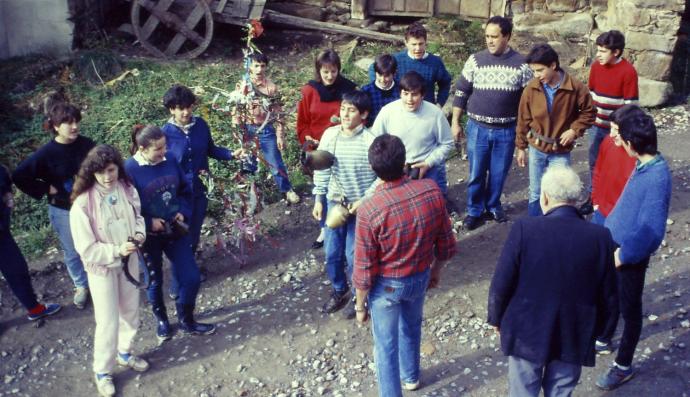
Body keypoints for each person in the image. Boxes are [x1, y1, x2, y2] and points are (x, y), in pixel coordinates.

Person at [487, 165, 617, 397]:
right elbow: (608, 294)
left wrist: (496, 318)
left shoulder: (525, 229)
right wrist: (603, 332)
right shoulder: (600, 237)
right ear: (577, 200)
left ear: (545, 197)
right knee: (561, 391)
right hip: (574, 332)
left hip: (528, 331)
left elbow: (502, 281)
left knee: (522, 391)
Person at [352, 134, 456, 397]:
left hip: (387, 287)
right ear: (404, 162)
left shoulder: (370, 209)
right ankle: (411, 377)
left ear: (373, 169)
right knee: (411, 327)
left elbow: (364, 269)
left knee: (385, 347)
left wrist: (360, 306)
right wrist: (436, 272)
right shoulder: (431, 190)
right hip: (420, 276)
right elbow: (446, 243)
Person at [595, 109, 672, 390]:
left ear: (631, 143)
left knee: (630, 309)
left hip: (629, 254)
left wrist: (622, 255)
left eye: (621, 138)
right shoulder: (644, 165)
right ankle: (603, 338)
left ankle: (623, 365)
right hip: (616, 244)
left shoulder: (656, 176)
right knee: (610, 295)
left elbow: (651, 232)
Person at [69, 145, 149, 397]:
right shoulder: (82, 204)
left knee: (131, 312)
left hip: (130, 261)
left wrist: (138, 235)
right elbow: (86, 249)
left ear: (118, 168)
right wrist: (116, 250)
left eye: (111, 170)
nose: (107, 177)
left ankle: (125, 352)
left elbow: (138, 218)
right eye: (100, 172)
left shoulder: (127, 188)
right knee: (107, 321)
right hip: (102, 269)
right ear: (91, 173)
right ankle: (102, 371)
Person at [124, 125, 215, 342]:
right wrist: (147, 222)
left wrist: (182, 212)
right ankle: (163, 321)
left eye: (164, 146)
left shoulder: (171, 160)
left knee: (191, 277)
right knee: (154, 280)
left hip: (175, 230)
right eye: (158, 149)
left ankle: (186, 319)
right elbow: (125, 210)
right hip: (148, 238)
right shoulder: (128, 170)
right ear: (142, 148)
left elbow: (185, 189)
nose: (164, 152)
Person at [451, 16, 532, 230]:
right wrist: (455, 122)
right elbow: (461, 92)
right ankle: (474, 210)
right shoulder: (475, 60)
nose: (490, 41)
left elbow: (528, 102)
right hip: (477, 128)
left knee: (498, 173)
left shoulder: (521, 65)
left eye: (494, 36)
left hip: (506, 131)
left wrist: (523, 135)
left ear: (507, 36)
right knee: (476, 172)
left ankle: (494, 205)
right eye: (487, 36)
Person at [12, 102, 95, 309]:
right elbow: (19, 175)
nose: (74, 126)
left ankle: (100, 280)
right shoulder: (46, 153)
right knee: (73, 250)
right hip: (62, 209)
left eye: (76, 121)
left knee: (96, 243)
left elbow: (102, 166)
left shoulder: (87, 144)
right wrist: (45, 188)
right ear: (56, 126)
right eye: (68, 122)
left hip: (91, 204)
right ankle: (81, 286)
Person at [311, 91, 378, 317]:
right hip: (334, 203)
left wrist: (364, 199)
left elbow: (381, 176)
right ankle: (339, 290)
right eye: (343, 109)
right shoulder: (330, 135)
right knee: (332, 253)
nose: (345, 114)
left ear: (364, 114)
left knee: (354, 255)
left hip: (360, 208)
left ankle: (361, 297)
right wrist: (319, 197)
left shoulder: (371, 140)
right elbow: (322, 168)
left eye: (351, 110)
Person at [162, 84, 243, 266]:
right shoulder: (164, 134)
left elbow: (211, 150)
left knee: (195, 229)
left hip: (200, 189)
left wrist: (231, 154)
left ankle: (190, 262)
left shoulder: (200, 125)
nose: (186, 112)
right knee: (179, 232)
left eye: (189, 107)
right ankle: (180, 275)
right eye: (180, 108)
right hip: (177, 194)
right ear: (171, 110)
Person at [516, 44, 595, 216]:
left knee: (560, 195)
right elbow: (523, 118)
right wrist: (521, 147)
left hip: (560, 151)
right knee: (536, 192)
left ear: (553, 65)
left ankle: (556, 228)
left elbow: (589, 113)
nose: (536, 76)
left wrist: (574, 130)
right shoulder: (531, 88)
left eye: (540, 70)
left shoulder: (576, 87)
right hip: (536, 149)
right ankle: (535, 229)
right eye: (533, 71)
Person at [296, 49, 356, 249]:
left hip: (343, 147)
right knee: (321, 190)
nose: (330, 76)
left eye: (333, 71)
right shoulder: (309, 91)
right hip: (317, 149)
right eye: (325, 72)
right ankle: (324, 228)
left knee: (343, 186)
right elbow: (302, 123)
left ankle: (349, 225)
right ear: (318, 71)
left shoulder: (348, 90)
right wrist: (308, 138)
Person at [580, 30, 639, 215]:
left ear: (616, 52)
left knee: (616, 166)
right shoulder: (597, 67)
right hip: (597, 125)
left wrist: (622, 130)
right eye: (598, 49)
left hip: (617, 130)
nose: (598, 54)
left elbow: (631, 106)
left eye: (603, 51)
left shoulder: (628, 71)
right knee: (594, 161)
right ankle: (593, 197)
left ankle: (616, 201)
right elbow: (591, 93)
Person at [231, 52, 300, 204]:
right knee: (248, 162)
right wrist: (237, 130)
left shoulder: (271, 88)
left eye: (262, 66)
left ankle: (287, 189)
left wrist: (280, 135)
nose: (259, 70)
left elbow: (279, 113)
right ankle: (251, 196)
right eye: (256, 65)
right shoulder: (243, 86)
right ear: (249, 66)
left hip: (265, 129)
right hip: (247, 129)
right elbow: (236, 108)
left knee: (275, 162)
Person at [371, 71, 454, 196]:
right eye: (405, 94)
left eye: (414, 94)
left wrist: (428, 163)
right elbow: (375, 141)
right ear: (400, 93)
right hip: (398, 171)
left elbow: (447, 143)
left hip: (429, 168)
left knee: (435, 204)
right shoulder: (387, 112)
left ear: (422, 95)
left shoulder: (435, 113)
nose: (409, 99)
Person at [0, 165, 61, 322]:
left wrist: (8, 198)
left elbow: (5, 181)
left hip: (2, 234)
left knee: (17, 270)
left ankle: (35, 309)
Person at [368, 22, 452, 107]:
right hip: (401, 107)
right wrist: (382, 87)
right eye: (414, 44)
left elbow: (445, 82)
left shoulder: (435, 62)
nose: (418, 48)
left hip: (426, 108)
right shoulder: (396, 59)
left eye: (421, 44)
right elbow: (373, 69)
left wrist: (439, 103)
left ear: (426, 42)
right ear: (406, 43)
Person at [589, 105, 642, 226]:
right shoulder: (608, 141)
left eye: (616, 130)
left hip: (623, 218)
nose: (611, 134)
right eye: (611, 128)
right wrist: (595, 201)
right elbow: (598, 171)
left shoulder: (641, 159)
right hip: (600, 211)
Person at [361, 54, 400, 127]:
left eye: (387, 76)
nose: (383, 80)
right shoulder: (366, 91)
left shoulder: (401, 89)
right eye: (379, 75)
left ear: (394, 73)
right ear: (375, 72)